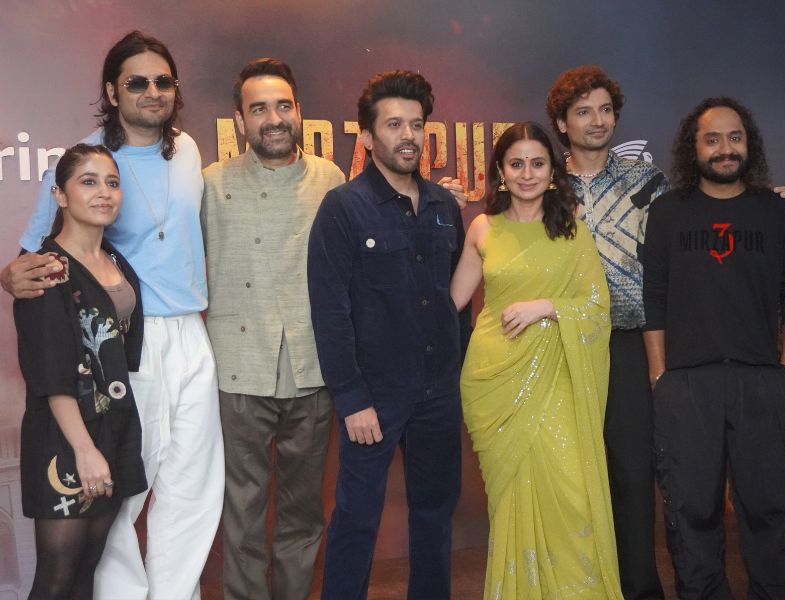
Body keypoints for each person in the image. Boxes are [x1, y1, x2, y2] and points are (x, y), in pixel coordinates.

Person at [2, 31, 224, 600]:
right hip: (126, 340)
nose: (152, 91)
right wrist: (8, 277)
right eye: (137, 82)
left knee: (193, 486)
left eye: (163, 81)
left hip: (192, 332)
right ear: (111, 91)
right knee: (121, 485)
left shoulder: (188, 149)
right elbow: (31, 259)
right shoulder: (87, 158)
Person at [307, 70, 466, 600]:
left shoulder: (444, 206)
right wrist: (352, 399)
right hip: (373, 398)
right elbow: (330, 313)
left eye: (416, 125)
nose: (408, 136)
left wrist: (457, 376)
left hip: (438, 392)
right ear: (368, 137)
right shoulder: (343, 208)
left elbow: (455, 302)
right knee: (357, 518)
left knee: (435, 515)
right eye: (394, 124)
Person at [450, 121, 621, 599]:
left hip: (558, 374)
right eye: (516, 164)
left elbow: (597, 308)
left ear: (553, 171)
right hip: (492, 381)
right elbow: (452, 303)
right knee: (510, 502)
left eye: (537, 163)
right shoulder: (483, 227)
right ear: (501, 172)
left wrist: (547, 307)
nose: (527, 174)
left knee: (571, 494)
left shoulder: (573, 231)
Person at [642, 97, 785, 599]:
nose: (725, 149)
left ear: (749, 144)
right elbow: (654, 297)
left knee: (772, 509)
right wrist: (660, 376)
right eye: (712, 139)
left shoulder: (777, 211)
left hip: (761, 380)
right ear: (694, 148)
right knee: (692, 511)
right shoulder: (667, 211)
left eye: (735, 137)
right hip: (686, 383)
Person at [201, 58, 345, 600]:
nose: (274, 118)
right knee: (242, 511)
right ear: (240, 121)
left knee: (302, 512)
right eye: (259, 108)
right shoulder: (210, 184)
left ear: (299, 112)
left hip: (312, 369)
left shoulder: (331, 179)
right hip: (239, 370)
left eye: (283, 106)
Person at [545, 66, 668, 600]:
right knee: (568, 473)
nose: (597, 121)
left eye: (605, 110)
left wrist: (766, 198)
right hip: (558, 342)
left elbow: (686, 239)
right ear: (561, 123)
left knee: (633, 471)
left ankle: (638, 588)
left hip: (628, 341)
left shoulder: (647, 181)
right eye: (583, 112)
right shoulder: (543, 183)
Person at [14, 144, 147, 599]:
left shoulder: (115, 260)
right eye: (88, 182)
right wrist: (85, 450)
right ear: (60, 195)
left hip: (113, 425)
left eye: (112, 183)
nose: (103, 192)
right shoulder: (45, 269)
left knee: (87, 570)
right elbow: (50, 373)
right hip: (66, 438)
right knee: (56, 579)